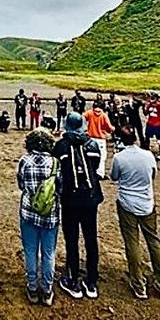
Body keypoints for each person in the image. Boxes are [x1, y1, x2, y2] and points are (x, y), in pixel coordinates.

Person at [111, 126, 160, 301]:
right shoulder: (148, 155)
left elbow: (114, 177)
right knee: (153, 240)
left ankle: (139, 283)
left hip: (127, 202)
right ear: (135, 138)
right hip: (146, 202)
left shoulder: (119, 157)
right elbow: (153, 175)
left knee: (132, 243)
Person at [55, 112, 105, 299]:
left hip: (70, 199)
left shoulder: (61, 146)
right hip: (90, 198)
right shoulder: (91, 144)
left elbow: (57, 170)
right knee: (91, 238)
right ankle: (91, 280)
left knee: (72, 239)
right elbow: (96, 165)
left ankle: (73, 278)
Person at [17, 128, 59, 306]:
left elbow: (21, 184)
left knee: (30, 251)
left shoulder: (24, 161)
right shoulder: (55, 162)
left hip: (29, 211)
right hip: (50, 214)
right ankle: (47, 290)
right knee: (48, 253)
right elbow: (60, 187)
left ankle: (32, 287)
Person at [84, 103, 114, 174]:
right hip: (101, 139)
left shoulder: (90, 113)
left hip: (91, 138)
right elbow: (110, 127)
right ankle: (100, 173)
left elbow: (82, 118)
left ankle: (91, 171)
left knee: (90, 155)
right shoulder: (103, 115)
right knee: (102, 157)